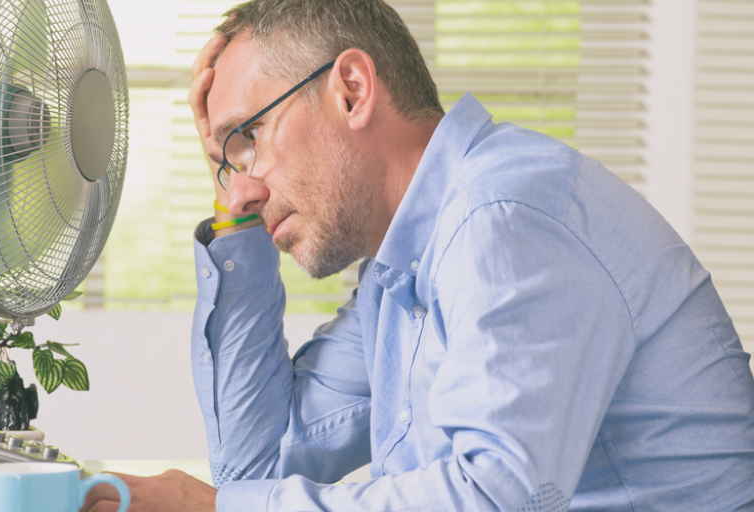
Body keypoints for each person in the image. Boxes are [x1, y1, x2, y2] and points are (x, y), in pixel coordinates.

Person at [83, 0, 754, 510]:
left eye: (251, 135)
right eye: (227, 158)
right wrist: (233, 205)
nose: (245, 186)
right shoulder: (401, 269)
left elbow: (491, 496)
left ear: (351, 90)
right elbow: (257, 468)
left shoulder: (503, 220)